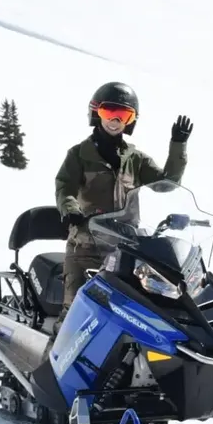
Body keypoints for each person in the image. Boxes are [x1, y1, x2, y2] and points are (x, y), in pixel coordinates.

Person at [54, 82, 191, 313]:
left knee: (138, 313)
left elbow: (167, 185)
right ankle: (53, 349)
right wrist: (70, 208)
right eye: (109, 112)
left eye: (124, 115)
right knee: (75, 312)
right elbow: (64, 186)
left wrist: (178, 145)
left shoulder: (136, 159)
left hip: (125, 250)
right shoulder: (79, 155)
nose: (115, 120)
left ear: (131, 121)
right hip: (86, 248)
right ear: (97, 113)